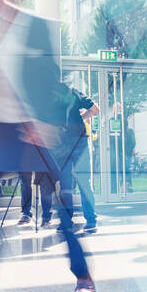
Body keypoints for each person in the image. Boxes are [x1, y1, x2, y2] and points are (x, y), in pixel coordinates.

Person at [0, 0, 94, 292]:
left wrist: (43, 119)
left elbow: (51, 78)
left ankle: (82, 273)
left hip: (30, 126)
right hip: (1, 127)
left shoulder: (34, 27)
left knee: (57, 201)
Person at [58, 87, 100, 231]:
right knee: (83, 182)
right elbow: (95, 109)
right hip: (79, 141)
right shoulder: (72, 92)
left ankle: (66, 222)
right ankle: (91, 220)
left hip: (62, 143)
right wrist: (80, 118)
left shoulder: (48, 98)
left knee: (66, 185)